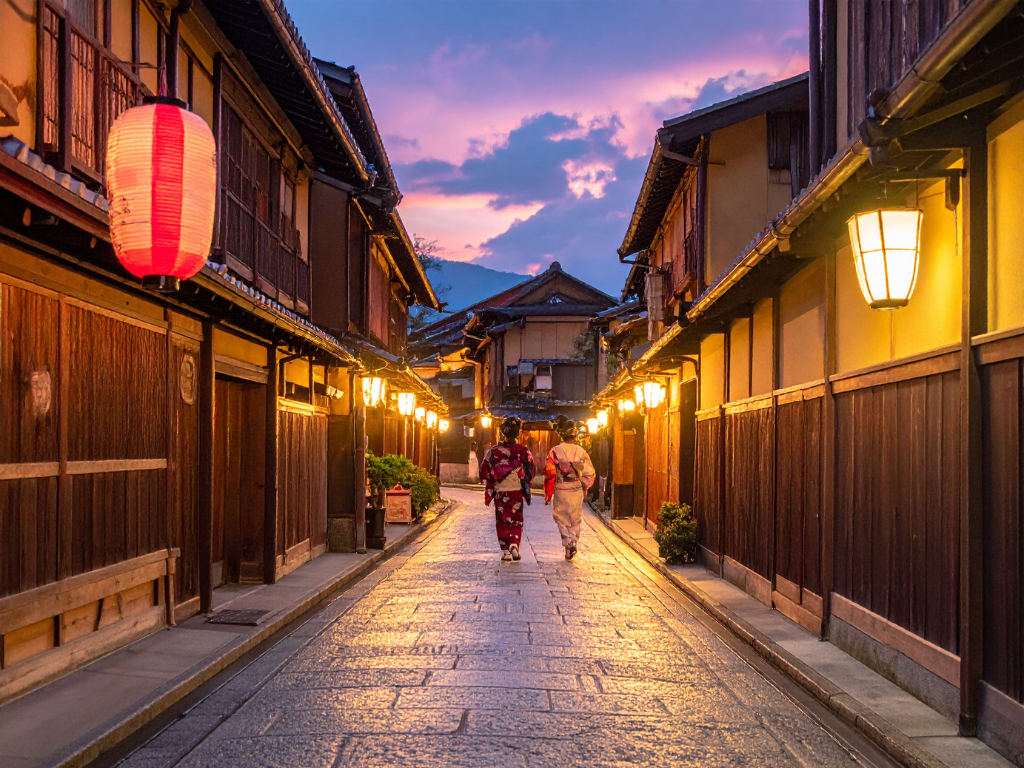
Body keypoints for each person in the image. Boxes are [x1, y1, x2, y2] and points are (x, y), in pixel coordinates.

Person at [479, 417, 535, 561]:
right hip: (516, 489)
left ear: (503, 432)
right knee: (516, 518)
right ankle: (514, 543)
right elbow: (531, 471)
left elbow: (484, 470)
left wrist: (493, 479)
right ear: (517, 433)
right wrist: (524, 481)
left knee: (502, 519)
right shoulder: (523, 451)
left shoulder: (494, 451)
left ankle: (505, 549)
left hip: (500, 490)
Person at [544, 420, 596, 560]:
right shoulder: (581, 451)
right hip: (575, 487)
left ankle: (566, 540)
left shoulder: (555, 451)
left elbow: (550, 471)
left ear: (561, 435)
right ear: (575, 436)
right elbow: (589, 472)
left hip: (561, 487)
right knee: (575, 517)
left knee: (560, 517)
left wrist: (550, 488)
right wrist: (584, 485)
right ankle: (572, 541)